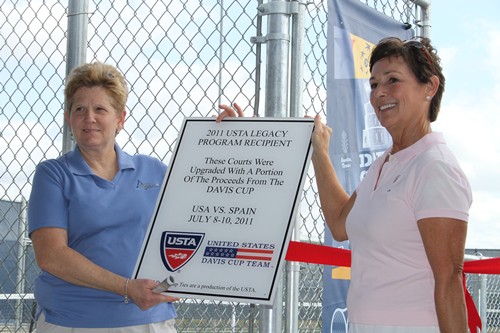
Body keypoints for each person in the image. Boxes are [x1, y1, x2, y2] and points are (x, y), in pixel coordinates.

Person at [27, 61, 238, 332]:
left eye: (100, 109)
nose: (89, 118)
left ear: (120, 119)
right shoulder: (53, 174)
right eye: (79, 109)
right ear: (69, 119)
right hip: (72, 321)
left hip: (150, 320)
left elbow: (213, 207)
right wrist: (127, 288)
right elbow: (51, 256)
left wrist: (234, 143)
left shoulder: (154, 171)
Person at [311, 37, 472, 333]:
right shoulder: (385, 163)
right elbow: (339, 224)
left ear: (430, 88)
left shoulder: (434, 167)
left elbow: (449, 279)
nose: (379, 93)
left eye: (392, 80)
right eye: (373, 84)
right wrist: (319, 152)